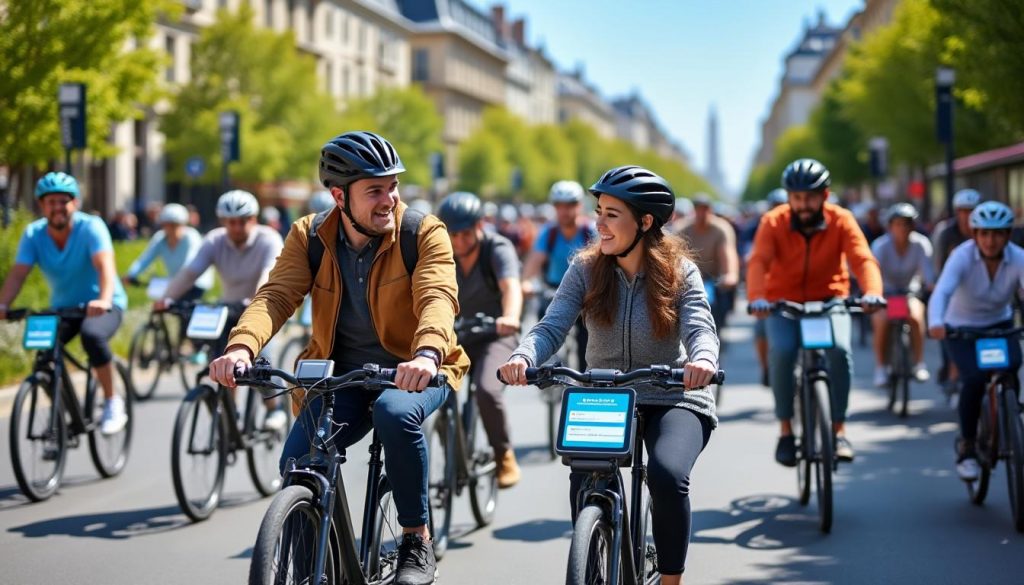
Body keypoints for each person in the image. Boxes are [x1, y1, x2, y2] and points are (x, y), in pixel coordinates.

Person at [206, 131, 469, 585]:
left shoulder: (422, 232)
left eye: (393, 187)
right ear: (338, 196)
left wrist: (427, 353)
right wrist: (241, 346)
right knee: (299, 461)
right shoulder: (309, 236)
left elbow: (438, 295)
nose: (389, 199)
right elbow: (276, 296)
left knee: (394, 413)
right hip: (340, 376)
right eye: (374, 190)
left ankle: (415, 537)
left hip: (416, 370)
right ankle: (313, 570)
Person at [500, 165, 718, 584]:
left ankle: (671, 579)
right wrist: (524, 355)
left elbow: (699, 326)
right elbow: (551, 325)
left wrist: (703, 359)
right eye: (598, 210)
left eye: (611, 214)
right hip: (604, 392)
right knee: (585, 478)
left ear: (645, 222)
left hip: (672, 393)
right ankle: (593, 564)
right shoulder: (585, 268)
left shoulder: (679, 271)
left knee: (667, 475)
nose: (597, 222)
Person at [748, 158, 884, 466]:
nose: (803, 204)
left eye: (810, 197)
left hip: (830, 300)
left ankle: (839, 430)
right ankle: (785, 431)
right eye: (796, 197)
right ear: (788, 198)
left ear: (825, 195)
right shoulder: (773, 221)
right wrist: (757, 297)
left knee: (839, 350)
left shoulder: (841, 219)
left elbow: (862, 259)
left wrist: (873, 292)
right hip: (783, 303)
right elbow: (758, 262)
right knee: (781, 352)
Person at [0, 172, 129, 434]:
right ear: (41, 205)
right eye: (51, 202)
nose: (57, 207)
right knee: (45, 352)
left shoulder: (91, 227)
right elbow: (18, 274)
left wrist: (103, 300)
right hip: (63, 307)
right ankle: (63, 414)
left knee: (92, 336)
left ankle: (112, 401)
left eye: (63, 201)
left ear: (75, 203)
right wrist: (2, 305)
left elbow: (105, 266)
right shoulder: (34, 233)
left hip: (104, 303)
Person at [155, 190, 288, 429]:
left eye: (242, 221)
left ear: (254, 219)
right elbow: (190, 272)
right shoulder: (215, 240)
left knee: (262, 363)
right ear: (223, 221)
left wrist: (255, 301)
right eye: (231, 222)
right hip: (228, 308)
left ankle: (273, 409)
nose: (236, 227)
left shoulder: (269, 239)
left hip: (260, 309)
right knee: (222, 361)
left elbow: (269, 274)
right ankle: (231, 413)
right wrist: (166, 299)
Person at [928, 201, 1024, 481]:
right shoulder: (961, 256)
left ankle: (1010, 415)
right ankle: (967, 447)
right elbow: (942, 292)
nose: (990, 241)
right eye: (984, 234)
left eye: (997, 234)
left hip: (999, 324)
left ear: (1007, 235)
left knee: (1012, 367)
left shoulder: (1018, 257)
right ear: (975, 235)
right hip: (962, 329)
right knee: (973, 381)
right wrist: (936, 322)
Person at [436, 192, 524, 488]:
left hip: (494, 336)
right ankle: (454, 456)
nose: (458, 241)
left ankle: (503, 454)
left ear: (480, 225)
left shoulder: (497, 248)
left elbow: (511, 286)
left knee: (487, 390)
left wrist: (509, 317)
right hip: (455, 337)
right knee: (433, 393)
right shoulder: (440, 252)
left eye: (464, 232)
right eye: (452, 233)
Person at [520, 180, 597, 370]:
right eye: (559, 205)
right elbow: (534, 261)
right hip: (554, 290)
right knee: (545, 324)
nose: (564, 211)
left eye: (570, 205)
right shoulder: (549, 233)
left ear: (579, 205)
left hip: (586, 294)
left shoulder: (591, 232)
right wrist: (526, 282)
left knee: (586, 344)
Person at [869, 203, 936, 387]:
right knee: (881, 321)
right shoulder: (880, 246)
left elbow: (927, 274)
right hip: (885, 293)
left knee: (916, 316)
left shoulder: (921, 244)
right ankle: (881, 367)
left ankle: (919, 363)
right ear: (890, 226)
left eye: (906, 224)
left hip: (909, 290)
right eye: (898, 224)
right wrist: (875, 293)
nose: (902, 228)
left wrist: (931, 287)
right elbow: (873, 273)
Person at [123, 203, 214, 303]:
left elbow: (190, 263)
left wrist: (179, 280)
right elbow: (145, 259)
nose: (171, 229)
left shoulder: (191, 237)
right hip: (175, 283)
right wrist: (131, 274)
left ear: (183, 224)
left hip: (196, 282)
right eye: (168, 225)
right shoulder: (160, 239)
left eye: (175, 225)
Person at [676, 193, 740, 332]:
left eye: (705, 209)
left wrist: (730, 274)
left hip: (713, 279)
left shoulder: (721, 229)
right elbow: (675, 255)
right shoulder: (682, 229)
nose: (702, 213)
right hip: (688, 278)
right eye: (698, 209)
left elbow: (727, 253)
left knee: (719, 308)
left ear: (710, 210)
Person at [751, 188, 789, 386]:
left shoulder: (797, 226)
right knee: (761, 329)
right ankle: (766, 367)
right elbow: (754, 257)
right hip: (768, 291)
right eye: (775, 207)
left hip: (795, 293)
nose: (779, 211)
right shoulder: (764, 225)